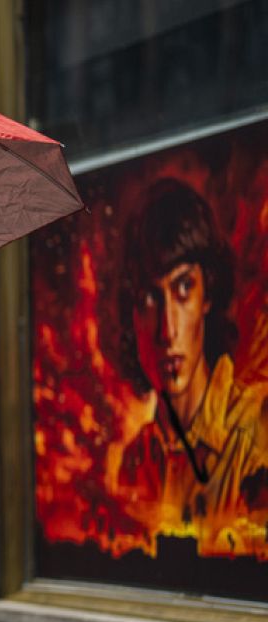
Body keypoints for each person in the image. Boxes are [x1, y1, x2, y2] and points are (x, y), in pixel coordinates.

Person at [101, 177, 268, 553]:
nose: (167, 329)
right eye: (149, 299)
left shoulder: (256, 431)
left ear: (208, 293)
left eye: (182, 289)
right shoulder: (134, 462)